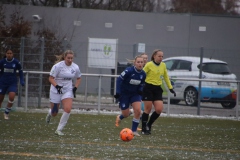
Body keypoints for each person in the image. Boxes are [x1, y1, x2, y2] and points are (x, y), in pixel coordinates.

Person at [45, 50, 81, 136]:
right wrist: (57, 86)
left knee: (68, 109)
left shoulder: (75, 67)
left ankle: (59, 130)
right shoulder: (57, 66)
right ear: (64, 57)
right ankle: (50, 113)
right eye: (68, 58)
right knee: (55, 113)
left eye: (71, 58)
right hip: (56, 90)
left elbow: (79, 78)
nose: (70, 60)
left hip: (67, 90)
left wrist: (75, 87)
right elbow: (50, 78)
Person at [141, 49, 176, 135]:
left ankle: (149, 125)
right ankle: (143, 128)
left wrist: (170, 88)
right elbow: (141, 75)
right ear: (154, 56)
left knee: (159, 109)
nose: (161, 58)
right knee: (147, 109)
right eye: (159, 56)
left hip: (157, 89)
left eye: (162, 56)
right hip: (148, 88)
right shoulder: (149, 65)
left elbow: (166, 77)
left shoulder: (163, 65)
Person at [114, 55, 146, 137]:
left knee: (138, 111)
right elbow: (119, 79)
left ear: (143, 63)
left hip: (135, 94)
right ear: (135, 63)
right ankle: (122, 115)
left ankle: (134, 130)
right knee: (125, 114)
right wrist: (118, 92)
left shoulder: (143, 74)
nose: (140, 64)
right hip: (124, 94)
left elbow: (142, 83)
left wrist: (140, 89)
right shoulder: (129, 71)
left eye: (141, 62)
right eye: (138, 62)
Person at [0, 48, 25, 120]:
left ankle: (6, 112)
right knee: (0, 99)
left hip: (12, 83)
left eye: (10, 53)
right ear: (5, 54)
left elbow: (20, 71)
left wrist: (22, 80)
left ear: (12, 54)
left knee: (11, 97)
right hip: (3, 83)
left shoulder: (16, 62)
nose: (9, 55)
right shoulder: (2, 62)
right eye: (8, 53)